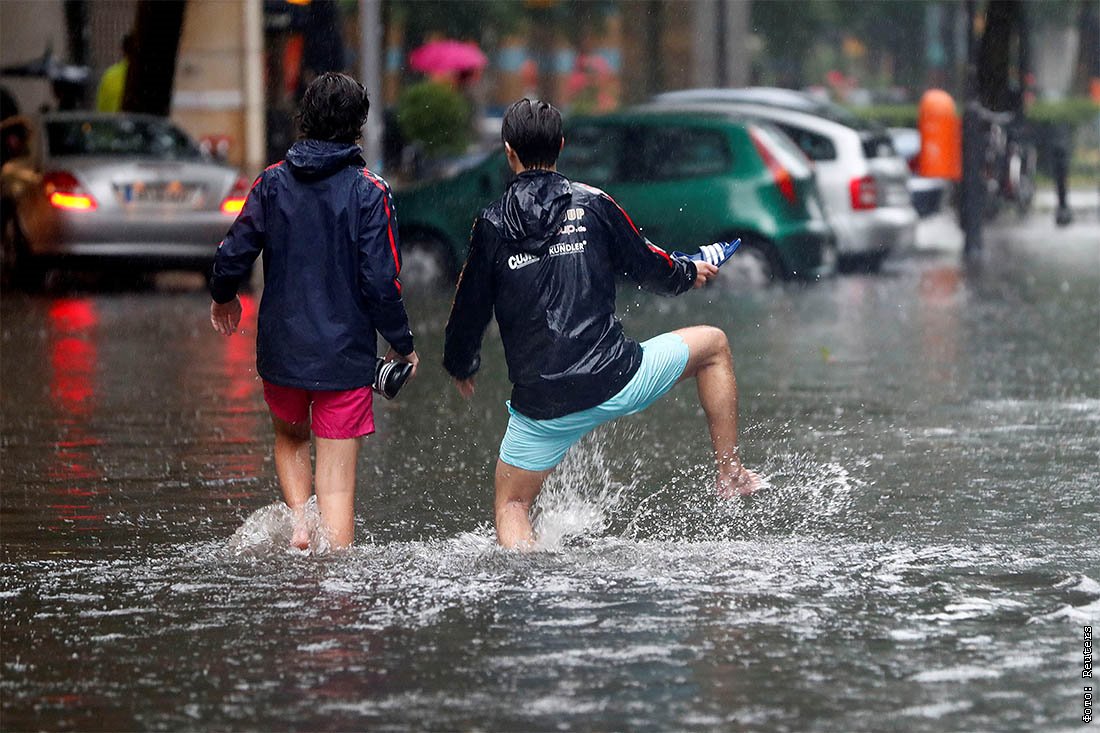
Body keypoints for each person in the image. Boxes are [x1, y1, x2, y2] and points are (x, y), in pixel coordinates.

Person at [443, 98, 761, 550]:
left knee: (512, 506)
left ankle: (525, 590)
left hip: (541, 406)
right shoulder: (593, 204)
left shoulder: (490, 223)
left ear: (508, 151)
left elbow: (469, 306)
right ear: (562, 146)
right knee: (713, 345)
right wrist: (689, 273)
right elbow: (648, 265)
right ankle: (729, 472)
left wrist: (462, 364)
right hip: (616, 377)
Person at [209, 72, 418, 550]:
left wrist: (224, 295)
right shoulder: (370, 192)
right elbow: (381, 281)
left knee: (290, 437)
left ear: (304, 119)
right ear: (358, 125)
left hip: (282, 353)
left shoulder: (271, 183)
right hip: (345, 360)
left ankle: (300, 522)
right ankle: (334, 584)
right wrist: (402, 345)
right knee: (338, 485)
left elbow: (232, 253)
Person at [96, 33, 135, 113]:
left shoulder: (110, 75)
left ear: (124, 51)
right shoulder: (146, 75)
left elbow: (101, 109)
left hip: (113, 123)